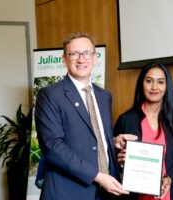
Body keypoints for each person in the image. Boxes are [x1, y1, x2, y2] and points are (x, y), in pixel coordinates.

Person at [35, 32, 128, 200]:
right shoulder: (50, 95)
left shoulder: (104, 96)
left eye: (86, 53)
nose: (81, 59)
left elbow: (92, 138)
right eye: (74, 54)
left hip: (106, 192)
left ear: (94, 57)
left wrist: (113, 143)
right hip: (68, 192)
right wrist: (98, 176)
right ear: (64, 59)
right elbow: (53, 147)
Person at [113, 62, 173, 200]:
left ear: (167, 86)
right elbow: (113, 162)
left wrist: (169, 178)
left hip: (171, 194)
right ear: (141, 84)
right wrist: (119, 161)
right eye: (149, 81)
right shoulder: (126, 120)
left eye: (160, 82)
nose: (154, 87)